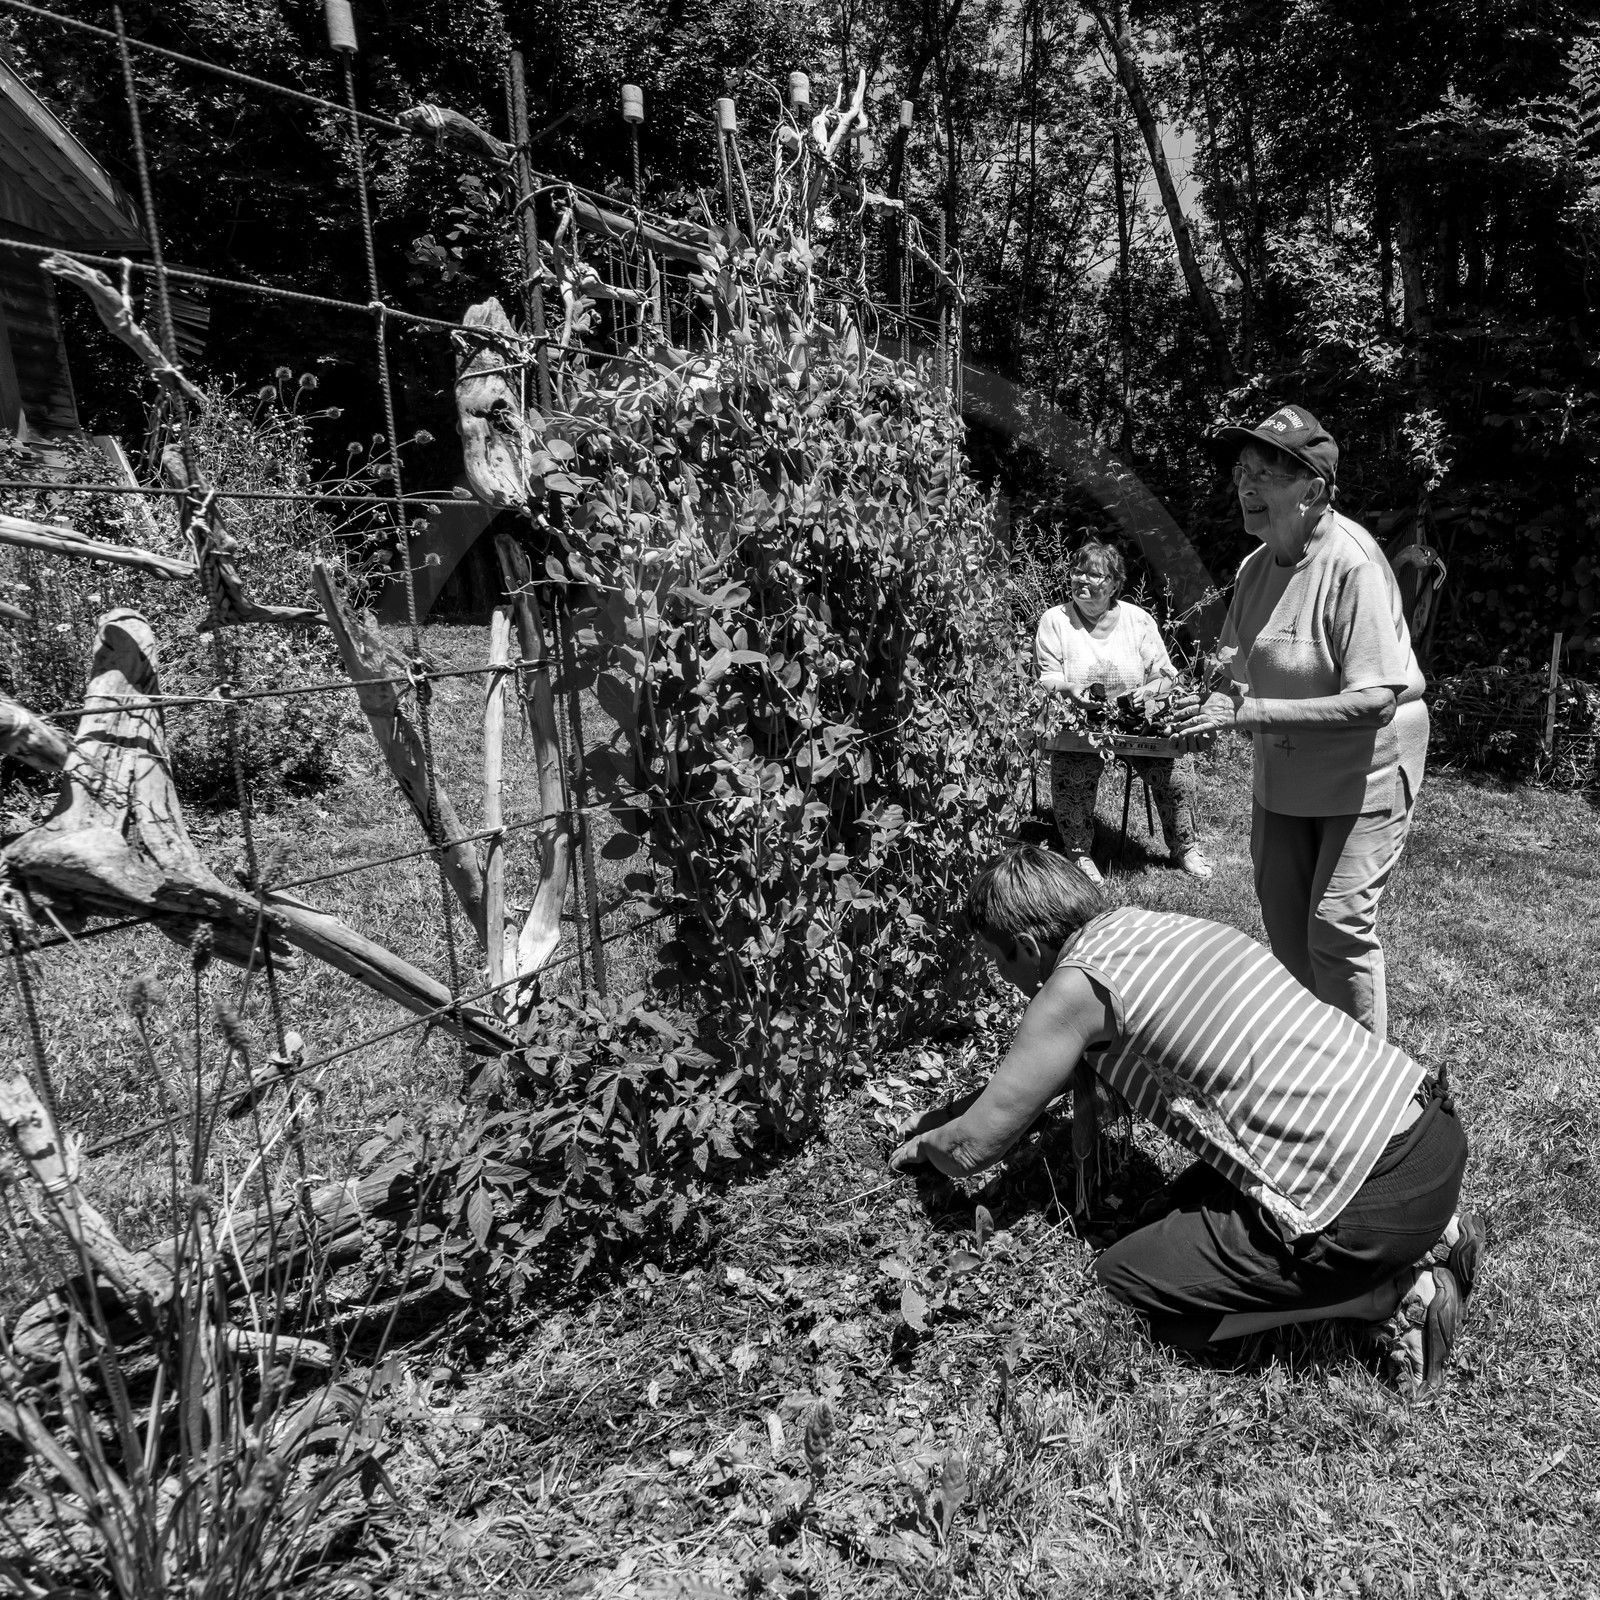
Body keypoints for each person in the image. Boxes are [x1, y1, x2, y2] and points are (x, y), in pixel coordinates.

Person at [890, 845, 1485, 1395]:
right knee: (1166, 1215)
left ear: (1024, 946)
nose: (1004, 978)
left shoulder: (1074, 989)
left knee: (1125, 1287)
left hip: (1364, 1205)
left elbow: (973, 1147)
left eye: (997, 962)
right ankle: (1438, 1231)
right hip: (1428, 1129)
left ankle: (1390, 1295)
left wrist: (924, 1147)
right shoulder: (1151, 928)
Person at [1170, 406, 1426, 1041]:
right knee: (1285, 921)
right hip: (1285, 772)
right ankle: (1313, 1054)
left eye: (1265, 474)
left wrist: (1249, 712)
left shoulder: (1353, 565)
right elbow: (1229, 673)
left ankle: (1367, 1082)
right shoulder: (1254, 568)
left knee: (1336, 925)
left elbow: (1376, 701)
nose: (1245, 486)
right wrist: (1181, 701)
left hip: (1365, 769)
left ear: (1313, 492)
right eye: (1242, 471)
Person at [1035, 539, 1211, 884]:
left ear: (1115, 584)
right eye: (1077, 571)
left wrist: (1145, 694)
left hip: (1136, 720)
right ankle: (1080, 854)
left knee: (1174, 768)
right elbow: (1048, 678)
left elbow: (1167, 677)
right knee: (1073, 769)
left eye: (1094, 575)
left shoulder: (1137, 620)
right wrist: (1071, 690)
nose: (1081, 580)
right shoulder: (1056, 620)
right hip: (1080, 721)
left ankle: (1185, 846)